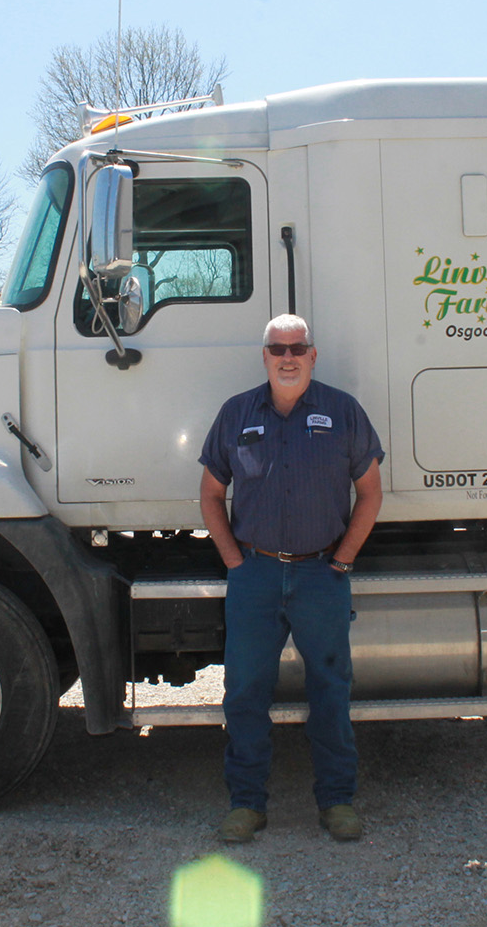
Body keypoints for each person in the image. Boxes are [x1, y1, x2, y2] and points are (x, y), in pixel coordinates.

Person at [198, 313, 384, 844]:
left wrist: (343, 559)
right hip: (253, 574)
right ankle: (247, 804)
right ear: (264, 356)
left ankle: (338, 802)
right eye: (277, 348)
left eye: (297, 348)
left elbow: (370, 493)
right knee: (245, 693)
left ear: (313, 355)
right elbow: (211, 494)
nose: (288, 357)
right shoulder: (237, 414)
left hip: (320, 574)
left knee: (330, 690)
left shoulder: (342, 412)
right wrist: (234, 561)